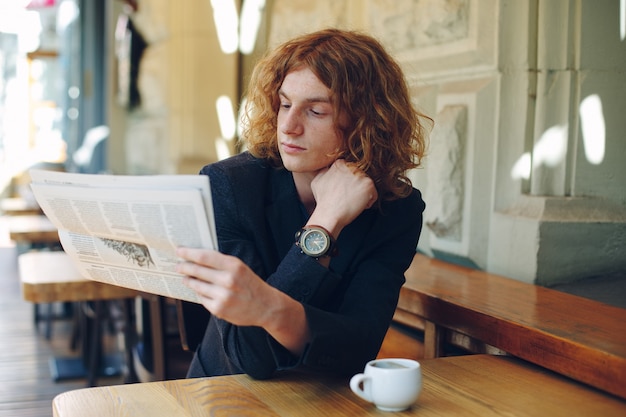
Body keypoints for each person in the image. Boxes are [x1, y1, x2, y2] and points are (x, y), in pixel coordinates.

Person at [176, 28, 430, 380]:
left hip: (326, 398)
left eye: (316, 111)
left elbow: (360, 347)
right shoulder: (230, 186)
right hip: (224, 396)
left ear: (365, 121)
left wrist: (267, 307)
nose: (289, 127)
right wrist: (324, 223)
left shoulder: (396, 209)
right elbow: (250, 355)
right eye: (285, 104)